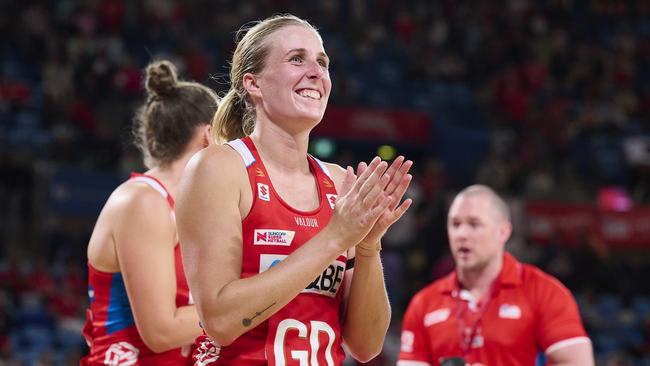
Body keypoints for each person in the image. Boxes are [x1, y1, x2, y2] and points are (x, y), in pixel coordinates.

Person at [175, 14, 413, 365]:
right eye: (297, 59)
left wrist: (366, 246)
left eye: (323, 62)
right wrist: (334, 238)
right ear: (254, 84)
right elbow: (221, 322)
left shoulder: (338, 182)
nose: (316, 72)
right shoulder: (219, 169)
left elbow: (366, 346)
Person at [81, 60, 220, 365]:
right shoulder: (143, 201)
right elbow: (161, 331)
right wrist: (249, 307)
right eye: (228, 134)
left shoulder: (194, 206)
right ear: (210, 135)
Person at [398, 185, 594, 366]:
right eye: (455, 224)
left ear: (503, 232)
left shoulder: (542, 290)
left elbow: (577, 362)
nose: (462, 234)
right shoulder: (424, 303)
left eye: (474, 224)